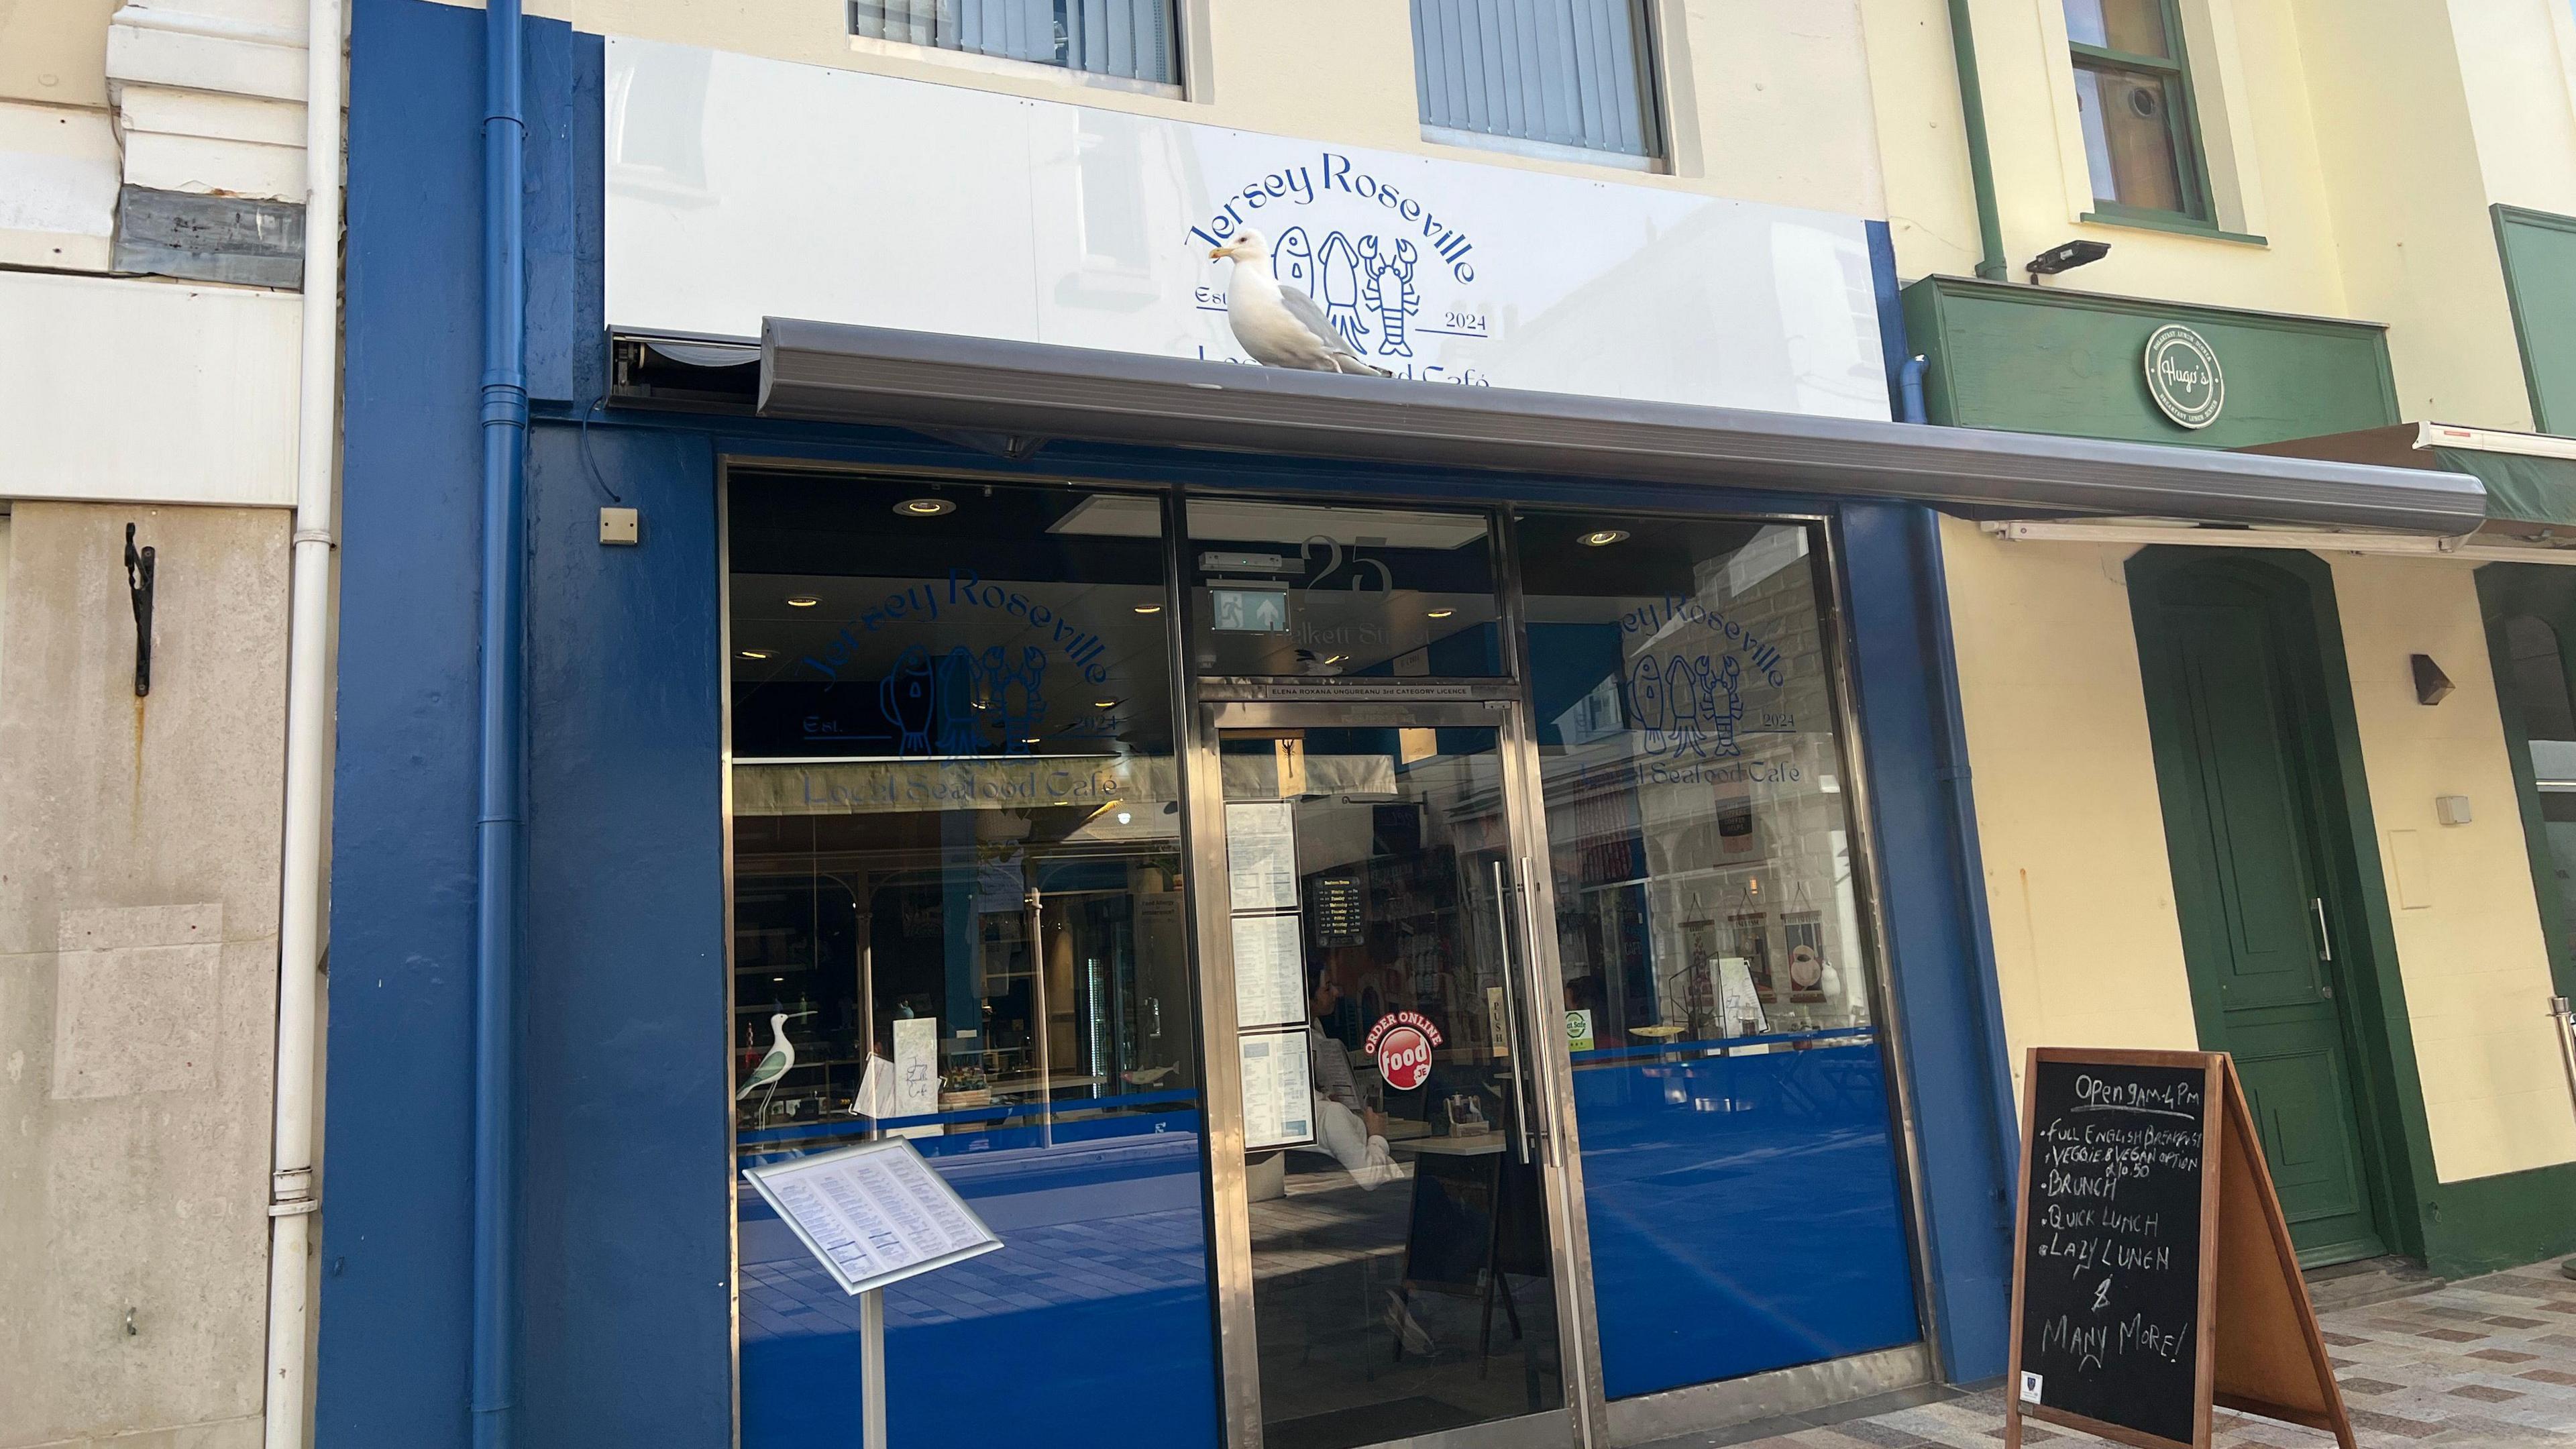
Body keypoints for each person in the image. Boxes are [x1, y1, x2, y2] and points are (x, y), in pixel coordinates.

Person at [1301, 965, 1397, 1188]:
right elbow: (1370, 1178)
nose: (1336, 993)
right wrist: (1377, 1136)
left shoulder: (1316, 1026)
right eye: (1327, 989)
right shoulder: (1330, 1115)